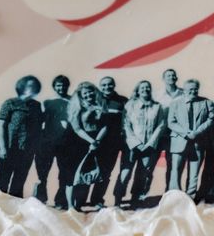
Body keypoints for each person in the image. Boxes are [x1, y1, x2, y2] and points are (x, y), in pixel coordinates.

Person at [115, 80, 166, 206]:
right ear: (137, 90)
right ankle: (118, 200)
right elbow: (126, 125)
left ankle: (135, 199)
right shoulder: (130, 105)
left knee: (143, 174)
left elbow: (160, 126)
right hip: (131, 146)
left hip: (149, 146)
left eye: (148, 87)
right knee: (125, 173)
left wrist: (149, 143)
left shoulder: (157, 106)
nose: (145, 89)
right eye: (142, 88)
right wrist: (136, 143)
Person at [167, 79, 214, 199]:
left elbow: (211, 120)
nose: (193, 91)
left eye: (195, 89)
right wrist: (185, 133)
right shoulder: (175, 103)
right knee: (176, 170)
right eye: (190, 89)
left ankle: (190, 197)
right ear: (184, 90)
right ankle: (175, 197)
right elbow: (171, 122)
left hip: (198, 141)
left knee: (194, 173)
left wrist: (196, 132)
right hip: (179, 141)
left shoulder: (206, 102)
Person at [0, 75, 43, 198]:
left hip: (27, 150)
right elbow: (1, 125)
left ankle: (14, 212)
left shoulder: (37, 106)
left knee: (19, 182)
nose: (34, 88)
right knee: (3, 180)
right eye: (30, 85)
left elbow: (38, 128)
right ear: (22, 86)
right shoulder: (10, 103)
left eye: (35, 86)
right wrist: (3, 148)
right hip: (10, 147)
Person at [61, 81, 106, 211]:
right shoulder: (77, 107)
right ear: (81, 95)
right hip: (76, 144)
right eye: (85, 93)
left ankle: (78, 204)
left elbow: (105, 126)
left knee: (85, 176)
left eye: (90, 92)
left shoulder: (100, 105)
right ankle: (70, 206)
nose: (88, 95)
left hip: (95, 142)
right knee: (71, 176)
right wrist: (92, 141)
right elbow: (77, 129)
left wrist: (96, 141)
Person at [88, 76, 128, 208]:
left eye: (109, 84)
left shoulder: (122, 101)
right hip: (93, 142)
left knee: (105, 173)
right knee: (88, 170)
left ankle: (97, 199)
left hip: (112, 144)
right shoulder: (94, 100)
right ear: (100, 86)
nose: (107, 87)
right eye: (104, 85)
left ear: (114, 85)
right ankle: (80, 199)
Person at [32, 74, 70, 208]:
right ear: (54, 87)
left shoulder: (73, 101)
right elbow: (40, 120)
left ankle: (61, 200)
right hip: (47, 141)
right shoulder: (47, 102)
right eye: (59, 85)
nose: (62, 87)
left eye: (64, 85)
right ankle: (41, 199)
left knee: (64, 173)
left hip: (65, 142)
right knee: (42, 172)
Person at [155, 68, 183, 189]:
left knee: (173, 165)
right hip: (159, 134)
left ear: (176, 78)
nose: (171, 77)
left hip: (176, 134)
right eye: (168, 76)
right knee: (150, 164)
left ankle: (170, 190)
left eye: (173, 75)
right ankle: (140, 196)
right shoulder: (157, 94)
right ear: (163, 79)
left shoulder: (183, 93)